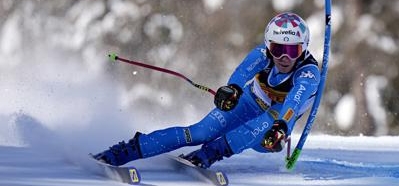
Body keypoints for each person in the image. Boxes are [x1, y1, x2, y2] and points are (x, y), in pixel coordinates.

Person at [94, 12, 320, 168]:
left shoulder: (308, 74)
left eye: (292, 50)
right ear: (268, 45)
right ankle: (128, 150)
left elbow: (293, 101)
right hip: (251, 102)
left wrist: (281, 126)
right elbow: (242, 74)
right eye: (277, 48)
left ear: (304, 48)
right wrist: (232, 90)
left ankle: (210, 154)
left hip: (276, 123)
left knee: (260, 125)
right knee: (200, 132)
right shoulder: (262, 55)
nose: (283, 57)